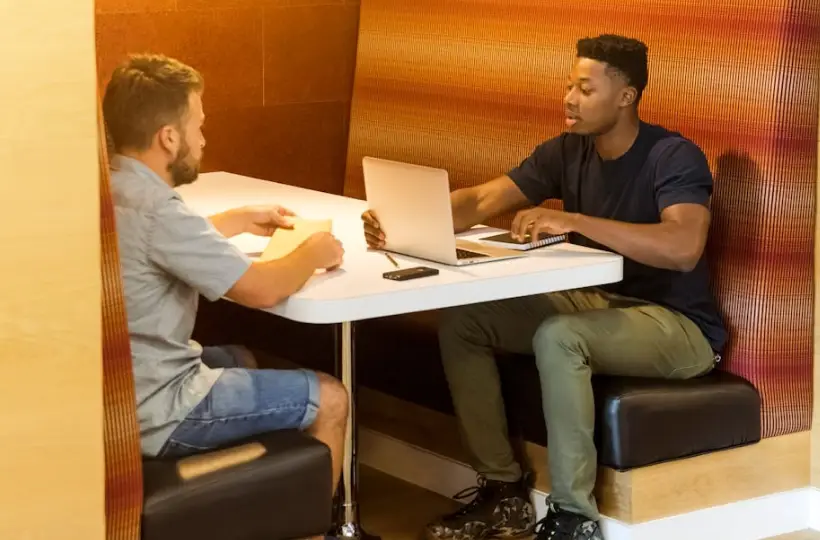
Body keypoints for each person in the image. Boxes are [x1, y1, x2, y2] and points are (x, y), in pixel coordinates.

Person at [361, 34, 726, 540]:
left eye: (585, 89)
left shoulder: (672, 156)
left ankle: (574, 517)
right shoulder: (568, 150)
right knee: (467, 321)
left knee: (560, 336)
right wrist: (403, 218)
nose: (569, 99)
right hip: (600, 302)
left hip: (676, 324)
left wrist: (574, 220)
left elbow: (683, 246)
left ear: (626, 96)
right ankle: (504, 493)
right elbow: (482, 200)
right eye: (569, 86)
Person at [104, 54, 348, 538]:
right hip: (157, 407)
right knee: (331, 397)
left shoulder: (110, 187)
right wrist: (313, 252)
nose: (202, 139)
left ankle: (255, 509)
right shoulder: (158, 208)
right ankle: (312, 529)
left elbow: (157, 244)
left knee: (241, 358)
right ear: (168, 137)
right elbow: (260, 289)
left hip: (115, 393)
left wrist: (234, 220)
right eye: (197, 126)